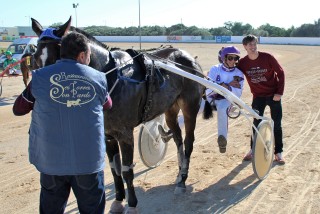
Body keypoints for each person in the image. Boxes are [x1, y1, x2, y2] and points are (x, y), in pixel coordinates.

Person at [13, 32, 112, 213]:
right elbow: (108, 104)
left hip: (51, 162)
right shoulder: (98, 78)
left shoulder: (39, 77)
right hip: (88, 163)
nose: (89, 59)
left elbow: (18, 109)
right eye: (89, 55)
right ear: (82, 55)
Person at [237, 34, 285, 164]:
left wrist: (279, 93)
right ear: (245, 47)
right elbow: (232, 72)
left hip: (273, 95)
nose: (253, 47)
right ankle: (253, 150)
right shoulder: (243, 63)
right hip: (258, 97)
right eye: (250, 45)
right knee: (256, 124)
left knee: (277, 124)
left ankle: (278, 152)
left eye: (254, 44)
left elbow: (280, 72)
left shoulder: (267, 57)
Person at [206, 46, 244, 153]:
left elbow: (237, 93)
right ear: (224, 58)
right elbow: (209, 88)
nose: (233, 61)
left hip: (227, 101)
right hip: (211, 99)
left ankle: (222, 140)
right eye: (230, 58)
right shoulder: (214, 69)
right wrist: (227, 86)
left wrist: (221, 86)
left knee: (222, 109)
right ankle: (170, 131)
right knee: (194, 107)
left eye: (236, 59)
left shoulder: (238, 73)